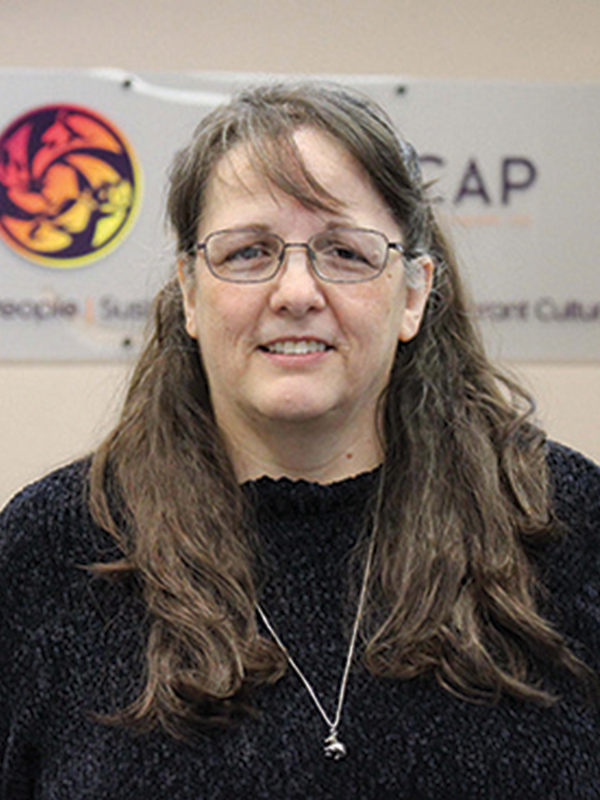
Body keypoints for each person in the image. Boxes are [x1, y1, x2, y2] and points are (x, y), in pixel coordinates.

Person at [1, 82, 599, 799]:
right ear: (190, 291)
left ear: (412, 294)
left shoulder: (566, 525)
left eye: (344, 252)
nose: (295, 292)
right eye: (250, 251)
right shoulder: (52, 550)